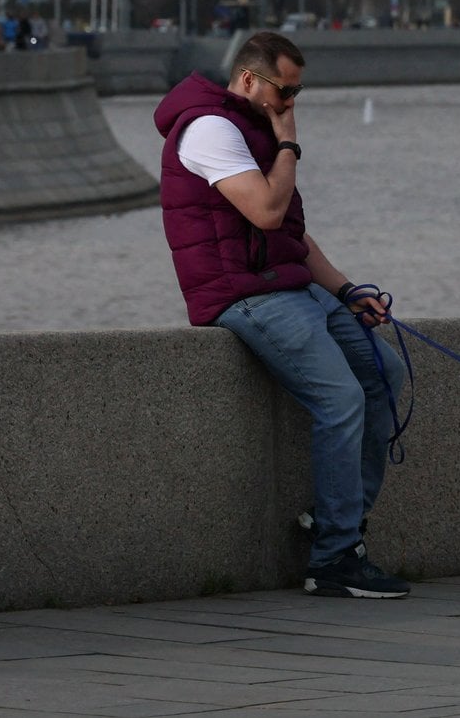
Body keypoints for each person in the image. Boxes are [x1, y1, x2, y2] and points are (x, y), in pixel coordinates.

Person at [153, 31, 410, 599]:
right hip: (243, 295)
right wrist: (289, 144)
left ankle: (339, 520)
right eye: (285, 91)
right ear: (249, 79)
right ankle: (334, 560)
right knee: (339, 397)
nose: (291, 103)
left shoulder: (250, 126)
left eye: (298, 91)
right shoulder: (209, 129)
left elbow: (292, 234)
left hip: (289, 285)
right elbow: (268, 213)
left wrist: (345, 291)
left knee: (385, 376)